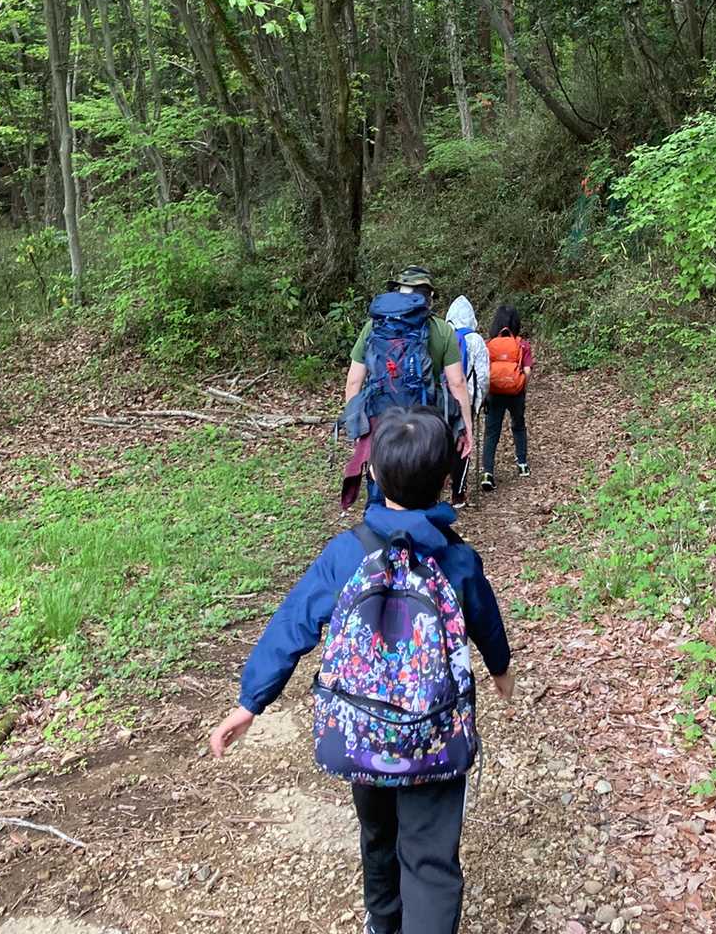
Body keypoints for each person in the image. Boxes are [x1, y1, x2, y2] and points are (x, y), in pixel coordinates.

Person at [209, 408, 515, 934]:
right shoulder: (458, 559)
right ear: (446, 477)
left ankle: (382, 923)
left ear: (372, 472)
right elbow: (486, 623)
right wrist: (500, 670)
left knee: (377, 835)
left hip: (363, 729)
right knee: (430, 858)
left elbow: (294, 623)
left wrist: (250, 701)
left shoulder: (345, 553)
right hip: (436, 732)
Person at [340, 265, 474, 510]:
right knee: (423, 487)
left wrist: (357, 425)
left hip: (381, 420)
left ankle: (379, 527)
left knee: (379, 485)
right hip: (425, 424)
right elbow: (457, 383)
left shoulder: (374, 327)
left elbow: (353, 381)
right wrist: (466, 429)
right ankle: (420, 531)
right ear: (429, 297)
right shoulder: (442, 329)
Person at [480, 304, 534, 491]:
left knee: (491, 432)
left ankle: (488, 473)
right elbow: (527, 370)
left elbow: (483, 372)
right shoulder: (522, 344)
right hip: (516, 392)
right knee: (518, 425)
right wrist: (521, 385)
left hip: (494, 392)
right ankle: (522, 464)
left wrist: (485, 393)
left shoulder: (488, 345)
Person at [444, 296, 490, 508]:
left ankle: (434, 488)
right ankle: (458, 494)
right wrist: (481, 399)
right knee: (463, 442)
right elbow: (483, 376)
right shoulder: (475, 340)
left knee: (441, 440)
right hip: (466, 399)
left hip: (441, 398)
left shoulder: (442, 336)